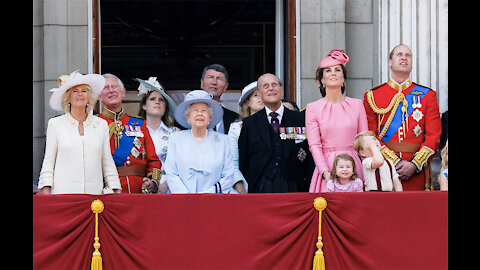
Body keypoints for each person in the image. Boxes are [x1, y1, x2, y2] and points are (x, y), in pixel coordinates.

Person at [363, 44, 442, 191]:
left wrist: (415, 164)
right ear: (390, 62)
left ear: (412, 63)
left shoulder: (427, 95)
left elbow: (434, 136)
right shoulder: (372, 96)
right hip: (383, 168)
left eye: (408, 55)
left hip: (416, 171)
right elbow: (369, 135)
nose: (404, 57)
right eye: (399, 54)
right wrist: (392, 162)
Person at [38, 70, 121, 194]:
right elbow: (48, 162)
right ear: (68, 98)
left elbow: (107, 161)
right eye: (75, 91)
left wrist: (115, 188)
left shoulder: (101, 125)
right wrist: (46, 191)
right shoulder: (55, 124)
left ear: (89, 97)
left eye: (84, 91)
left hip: (94, 199)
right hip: (63, 196)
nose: (80, 94)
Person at [306, 49, 368, 193]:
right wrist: (326, 174)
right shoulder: (312, 108)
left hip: (353, 166)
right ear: (321, 79)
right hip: (327, 167)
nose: (333, 73)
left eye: (337, 70)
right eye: (328, 70)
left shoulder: (357, 104)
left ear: (343, 77)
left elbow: (364, 143)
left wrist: (369, 171)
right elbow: (314, 145)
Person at [238, 73, 313, 193]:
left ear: (282, 91)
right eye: (265, 86)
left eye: (274, 85)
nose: (271, 88)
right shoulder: (249, 124)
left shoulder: (300, 119)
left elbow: (310, 153)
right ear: (260, 94)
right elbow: (244, 160)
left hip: (295, 186)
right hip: (261, 187)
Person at [98, 73, 162, 193]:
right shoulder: (94, 124)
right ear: (99, 96)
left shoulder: (139, 124)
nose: (111, 91)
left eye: (114, 87)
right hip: (107, 189)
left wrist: (152, 182)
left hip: (138, 189)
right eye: (106, 88)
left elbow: (153, 160)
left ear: (123, 92)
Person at [164, 90, 234, 193]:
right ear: (188, 116)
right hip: (183, 201)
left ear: (210, 116)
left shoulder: (223, 141)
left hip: (213, 200)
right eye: (195, 110)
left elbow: (228, 175)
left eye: (204, 111)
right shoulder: (175, 139)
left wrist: (209, 194)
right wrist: (187, 196)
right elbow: (171, 172)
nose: (200, 114)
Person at [136, 77, 180, 193]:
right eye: (153, 99)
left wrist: (166, 184)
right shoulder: (135, 132)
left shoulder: (175, 133)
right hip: (143, 185)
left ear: (165, 107)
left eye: (161, 100)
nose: (157, 102)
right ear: (144, 106)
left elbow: (181, 164)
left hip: (170, 186)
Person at [227, 81, 265, 194]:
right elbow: (232, 161)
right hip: (244, 189)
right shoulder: (236, 128)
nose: (261, 97)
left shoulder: (276, 125)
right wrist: (241, 189)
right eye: (256, 95)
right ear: (247, 102)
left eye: (263, 94)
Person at [200, 64, 239, 134]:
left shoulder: (235, 119)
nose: (214, 82)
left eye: (219, 79)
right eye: (210, 77)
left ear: (225, 87)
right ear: (202, 83)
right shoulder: (188, 116)